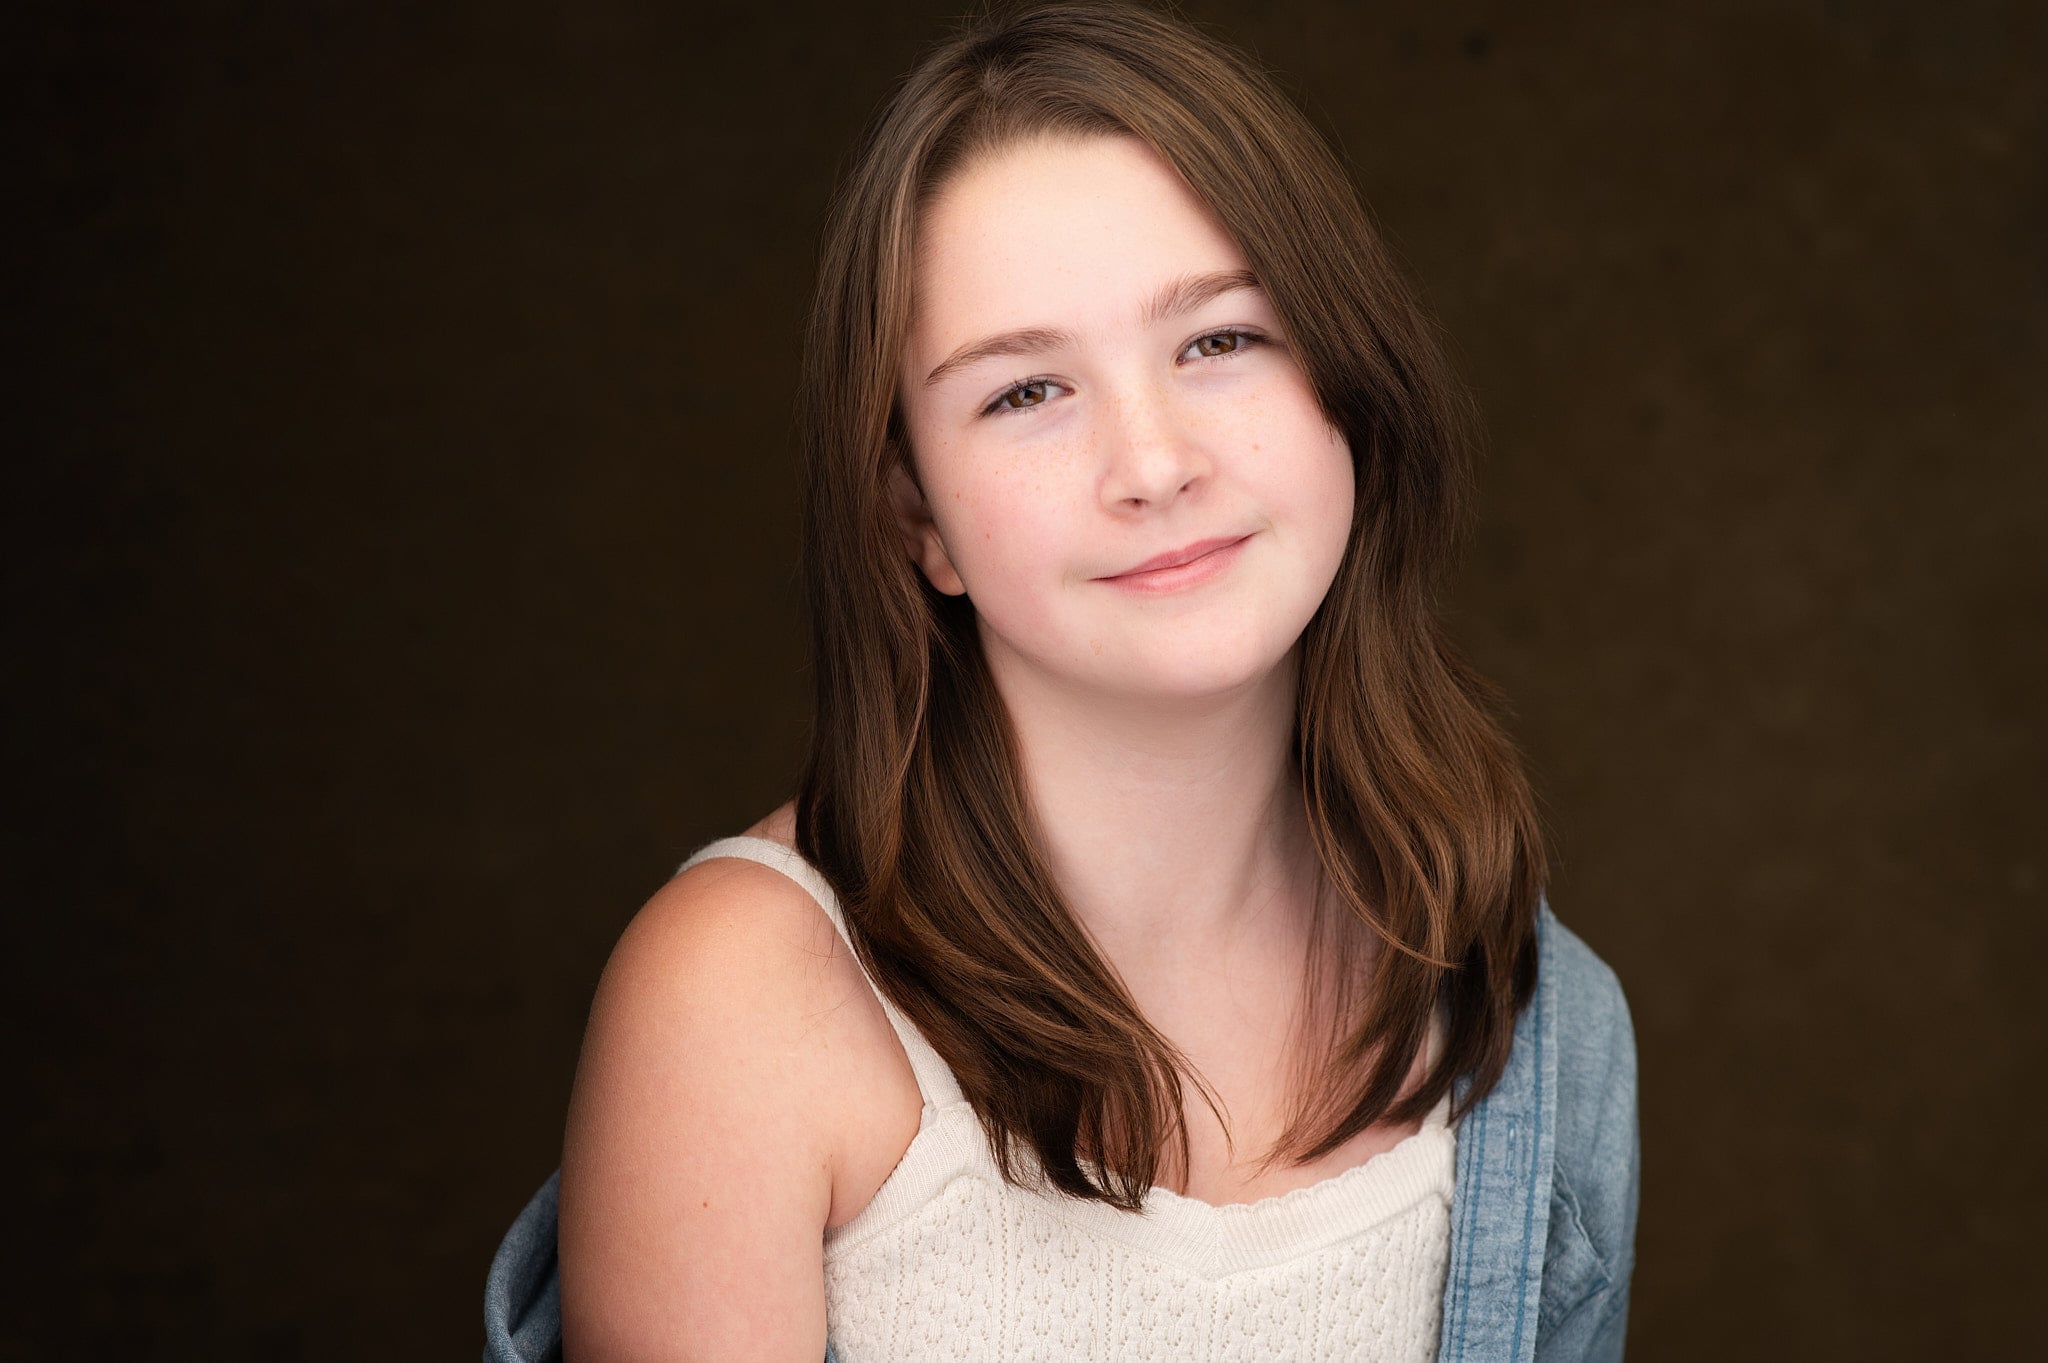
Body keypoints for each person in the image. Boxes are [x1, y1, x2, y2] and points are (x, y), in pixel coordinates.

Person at [483, 3, 1638, 1360]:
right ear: (915, 516)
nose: (1152, 463)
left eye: (1219, 341)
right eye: (1026, 392)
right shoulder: (742, 1001)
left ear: (1351, 393)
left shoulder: (1535, 1030)